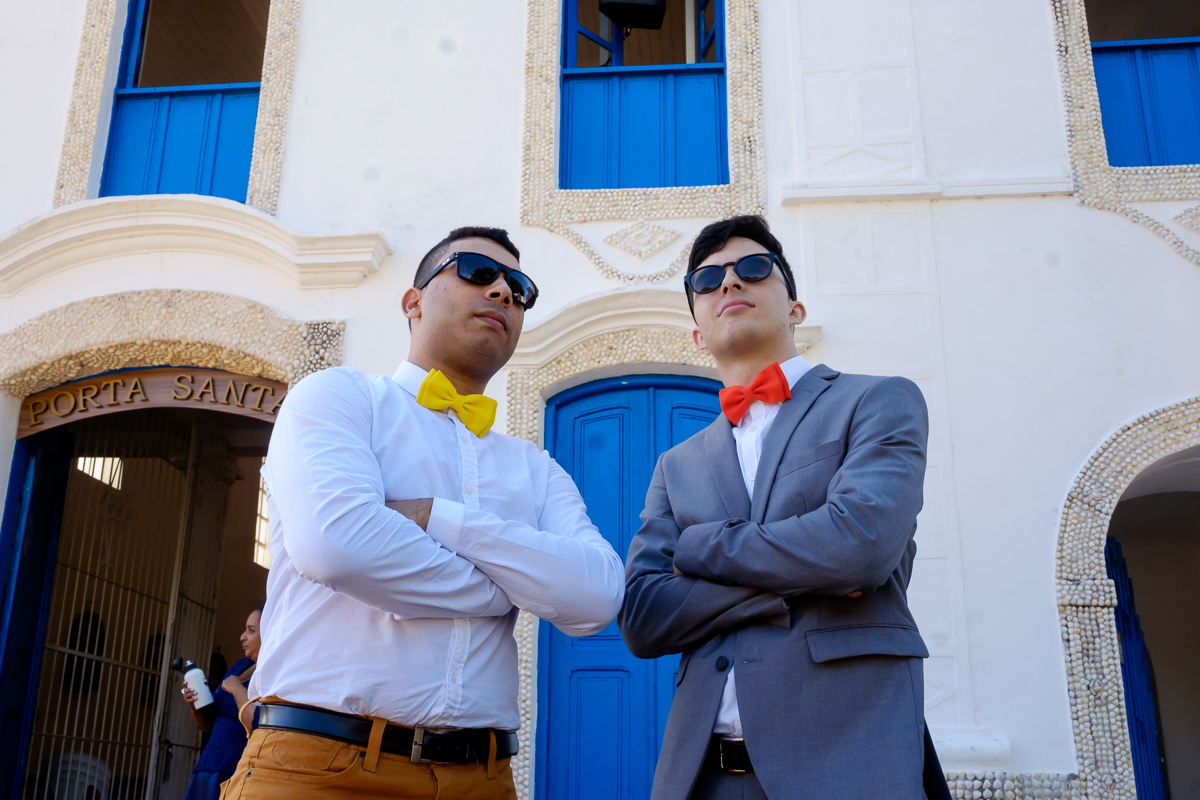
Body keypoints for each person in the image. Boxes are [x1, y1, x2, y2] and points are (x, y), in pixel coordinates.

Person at [223, 226, 625, 799]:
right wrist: (505, 588)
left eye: (519, 288)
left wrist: (438, 517)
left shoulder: (536, 468)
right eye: (477, 272)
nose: (503, 292)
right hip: (317, 767)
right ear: (412, 302)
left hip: (481, 780)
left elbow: (597, 596)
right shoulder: (339, 398)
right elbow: (336, 547)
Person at [619, 215, 950, 799]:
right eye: (707, 280)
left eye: (752, 269)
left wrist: (699, 549)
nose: (729, 282)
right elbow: (644, 617)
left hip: (847, 765)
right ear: (696, 334)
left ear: (795, 309)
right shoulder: (677, 464)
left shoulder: (876, 400)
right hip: (703, 777)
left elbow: (860, 549)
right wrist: (808, 575)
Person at [181, 606, 262, 800]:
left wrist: (237, 689)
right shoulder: (240, 667)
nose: (242, 637)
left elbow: (260, 722)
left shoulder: (272, 675)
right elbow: (209, 725)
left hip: (236, 772)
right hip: (208, 767)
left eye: (251, 630)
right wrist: (195, 706)